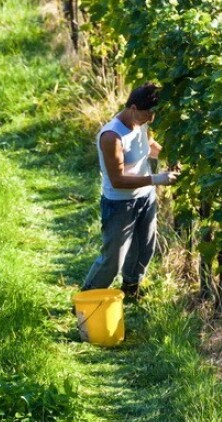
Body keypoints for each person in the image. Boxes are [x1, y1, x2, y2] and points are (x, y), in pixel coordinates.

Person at [81, 82, 179, 299]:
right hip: (119, 203)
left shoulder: (141, 123)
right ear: (133, 108)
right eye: (147, 114)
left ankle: (130, 290)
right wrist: (157, 179)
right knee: (113, 260)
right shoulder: (111, 136)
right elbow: (117, 180)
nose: (150, 119)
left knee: (145, 249)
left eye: (153, 114)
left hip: (145, 198)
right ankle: (86, 299)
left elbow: (149, 145)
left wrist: (168, 157)